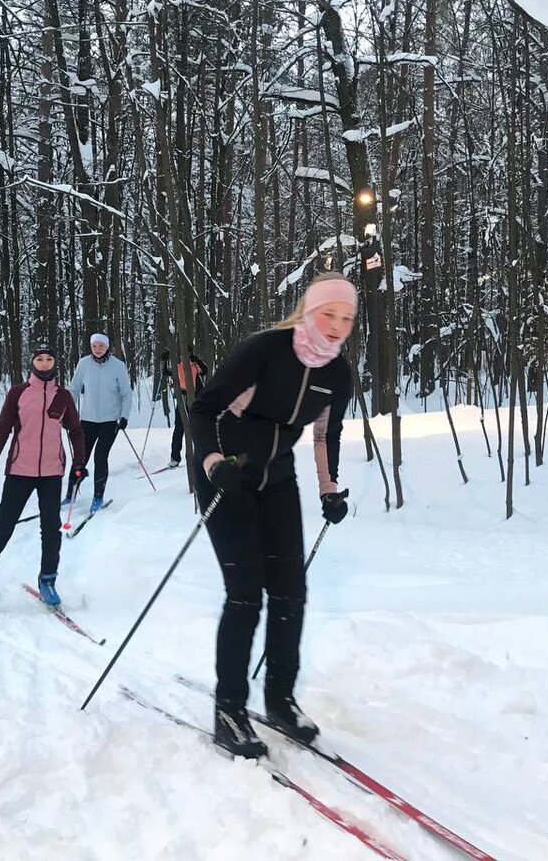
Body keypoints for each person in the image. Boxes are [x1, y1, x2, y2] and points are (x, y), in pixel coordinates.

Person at [189, 272, 356, 759]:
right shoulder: (265, 350)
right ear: (308, 311)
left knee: (290, 592)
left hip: (277, 478)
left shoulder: (337, 374)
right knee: (245, 594)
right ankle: (229, 710)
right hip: (226, 474)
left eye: (346, 318)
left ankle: (280, 700)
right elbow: (204, 410)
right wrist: (212, 462)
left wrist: (329, 489)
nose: (336, 325)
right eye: (328, 314)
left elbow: (325, 435)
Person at [0, 346, 88, 610]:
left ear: (54, 362)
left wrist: (79, 463)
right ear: (32, 363)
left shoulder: (63, 396)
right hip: (19, 471)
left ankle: (47, 580)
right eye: (39, 359)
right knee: (2, 528)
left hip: (51, 472)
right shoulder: (19, 393)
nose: (44, 363)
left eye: (49, 359)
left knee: (51, 529)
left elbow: (75, 430)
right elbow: (2, 430)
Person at [65, 332, 133, 513]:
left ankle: (98, 496)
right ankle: (70, 494)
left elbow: (126, 393)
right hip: (87, 420)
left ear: (107, 347)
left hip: (110, 421)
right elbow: (73, 389)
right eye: (94, 346)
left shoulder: (118, 366)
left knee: (100, 457)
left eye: (101, 346)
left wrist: (124, 416)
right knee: (81, 457)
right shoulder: (84, 363)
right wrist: (68, 415)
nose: (97, 349)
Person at [162, 346, 208, 467]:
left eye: (187, 354)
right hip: (182, 400)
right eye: (183, 354)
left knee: (197, 429)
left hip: (196, 400)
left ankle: (203, 455)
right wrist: (164, 360)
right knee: (179, 429)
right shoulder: (178, 367)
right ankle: (175, 457)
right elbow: (165, 372)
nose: (185, 356)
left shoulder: (195, 365)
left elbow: (205, 370)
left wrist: (197, 360)